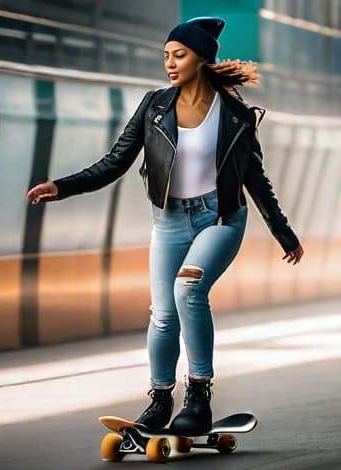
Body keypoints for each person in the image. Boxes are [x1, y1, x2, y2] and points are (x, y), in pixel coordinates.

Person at [25, 16, 304, 435]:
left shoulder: (235, 115)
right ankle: (159, 400)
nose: (170, 63)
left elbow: (255, 178)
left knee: (188, 288)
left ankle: (199, 394)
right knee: (162, 315)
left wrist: (283, 232)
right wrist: (60, 187)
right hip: (169, 219)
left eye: (179, 55)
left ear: (201, 59)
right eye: (167, 56)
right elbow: (114, 162)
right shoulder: (155, 106)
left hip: (221, 218)